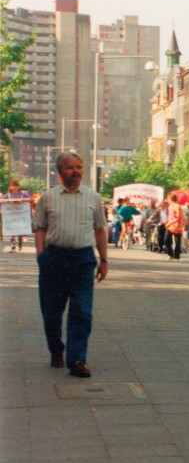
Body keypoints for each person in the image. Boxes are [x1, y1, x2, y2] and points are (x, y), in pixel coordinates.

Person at [33, 152, 109, 377]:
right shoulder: (48, 197)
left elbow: (100, 229)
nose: (75, 171)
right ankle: (56, 350)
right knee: (52, 312)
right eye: (69, 168)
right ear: (60, 172)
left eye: (79, 167)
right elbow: (40, 227)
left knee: (82, 311)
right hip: (54, 258)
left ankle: (77, 359)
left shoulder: (93, 197)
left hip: (83, 259)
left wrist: (103, 260)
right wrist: (41, 255)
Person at [2, 179, 30, 251]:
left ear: (18, 187)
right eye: (13, 186)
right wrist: (7, 201)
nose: (14, 187)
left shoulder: (23, 194)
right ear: (10, 187)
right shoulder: (8, 195)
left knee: (19, 231)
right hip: (11, 216)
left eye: (16, 186)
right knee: (12, 231)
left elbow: (30, 199)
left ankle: (20, 243)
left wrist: (22, 201)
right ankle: (13, 246)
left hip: (20, 216)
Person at [165, 196, 185, 260]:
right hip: (170, 226)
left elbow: (178, 218)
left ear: (171, 199)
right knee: (166, 240)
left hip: (177, 226)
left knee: (177, 242)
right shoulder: (170, 206)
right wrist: (167, 222)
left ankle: (177, 256)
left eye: (168, 199)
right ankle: (170, 254)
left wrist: (169, 223)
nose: (167, 200)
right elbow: (170, 216)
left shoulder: (177, 206)